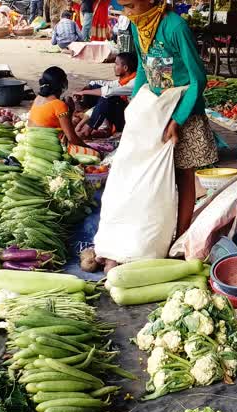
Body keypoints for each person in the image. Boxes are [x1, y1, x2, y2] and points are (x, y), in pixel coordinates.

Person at [121, 0, 217, 236]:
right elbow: (145, 67)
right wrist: (136, 103)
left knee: (184, 176)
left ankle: (182, 233)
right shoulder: (137, 25)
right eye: (123, 6)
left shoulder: (176, 27)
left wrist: (177, 120)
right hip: (156, 112)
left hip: (184, 113)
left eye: (131, 5)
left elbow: (198, 80)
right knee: (157, 177)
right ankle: (158, 229)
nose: (127, 13)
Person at [74, 51, 137, 137]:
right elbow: (103, 84)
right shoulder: (122, 80)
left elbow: (109, 92)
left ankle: (88, 129)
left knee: (108, 97)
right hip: (116, 113)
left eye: (116, 64)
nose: (114, 67)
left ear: (125, 68)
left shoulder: (134, 83)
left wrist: (83, 92)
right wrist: (86, 88)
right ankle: (84, 113)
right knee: (95, 87)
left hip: (124, 120)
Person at [28, 66, 88, 148]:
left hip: (31, 141)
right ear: (61, 84)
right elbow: (71, 138)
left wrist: (69, 111)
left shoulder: (38, 98)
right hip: (46, 146)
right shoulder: (59, 105)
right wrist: (89, 148)